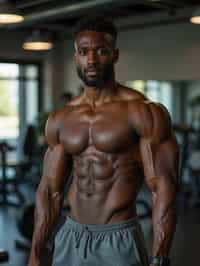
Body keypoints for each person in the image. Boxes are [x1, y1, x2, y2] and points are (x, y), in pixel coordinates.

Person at [28, 16, 179, 266]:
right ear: (75, 56)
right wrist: (36, 251)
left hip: (118, 239)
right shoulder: (61, 118)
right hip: (71, 236)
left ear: (115, 55)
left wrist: (160, 257)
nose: (92, 60)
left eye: (101, 51)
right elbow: (49, 190)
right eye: (84, 52)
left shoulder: (143, 112)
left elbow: (164, 188)